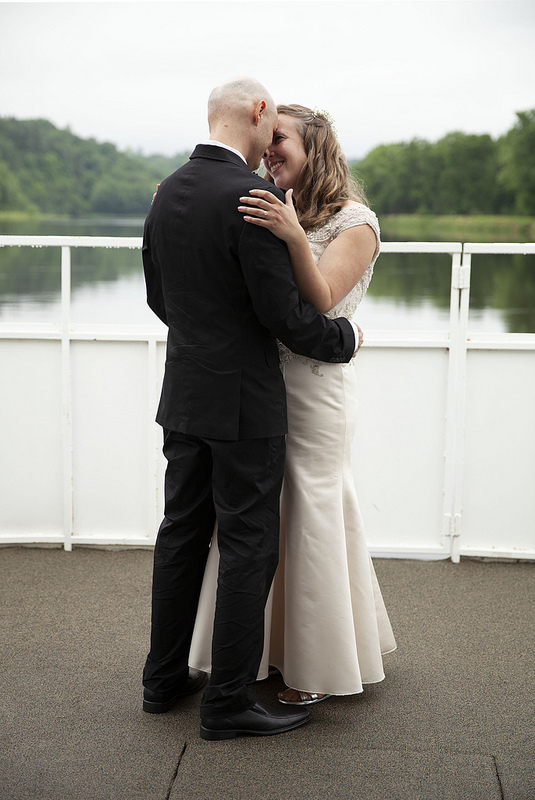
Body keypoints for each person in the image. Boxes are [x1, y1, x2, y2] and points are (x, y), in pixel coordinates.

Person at [141, 80, 361, 741]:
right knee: (246, 546)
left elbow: (161, 300)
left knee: (180, 536)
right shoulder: (251, 198)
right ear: (259, 114)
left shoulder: (169, 190)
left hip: (183, 396)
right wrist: (343, 339)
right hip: (243, 405)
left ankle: (161, 683)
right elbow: (286, 318)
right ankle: (227, 703)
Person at [189, 104, 396, 706]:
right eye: (266, 136)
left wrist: (287, 234)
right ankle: (256, 655)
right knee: (259, 520)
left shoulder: (354, 222)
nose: (268, 147)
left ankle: (315, 664)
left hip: (314, 391)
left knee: (311, 514)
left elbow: (323, 300)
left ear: (316, 149)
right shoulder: (261, 203)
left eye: (280, 139)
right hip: (260, 387)